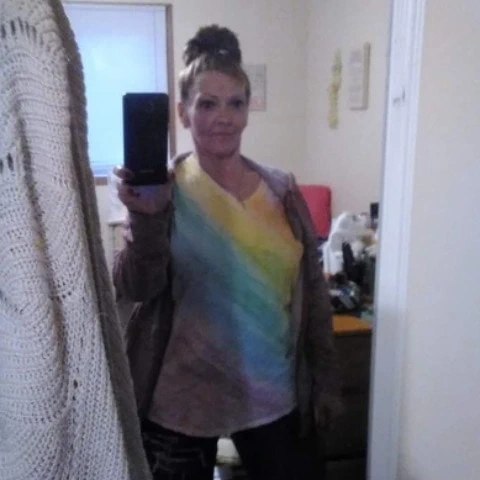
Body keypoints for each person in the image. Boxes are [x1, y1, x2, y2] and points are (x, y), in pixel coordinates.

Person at [114, 24, 341, 480]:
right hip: (181, 405)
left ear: (247, 111)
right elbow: (135, 285)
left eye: (235, 103)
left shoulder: (281, 191)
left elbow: (313, 293)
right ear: (183, 113)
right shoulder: (163, 190)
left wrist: (326, 378)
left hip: (273, 397)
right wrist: (146, 218)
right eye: (207, 104)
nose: (224, 117)